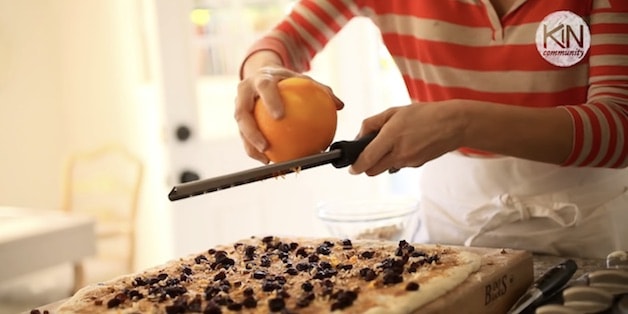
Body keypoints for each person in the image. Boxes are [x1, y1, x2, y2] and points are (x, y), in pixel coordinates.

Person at [234, 0, 628, 259]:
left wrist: (461, 123)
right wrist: (263, 73)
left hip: (588, 238)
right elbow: (284, 41)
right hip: (450, 231)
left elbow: (619, 127)